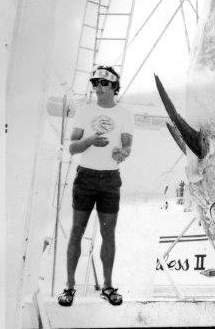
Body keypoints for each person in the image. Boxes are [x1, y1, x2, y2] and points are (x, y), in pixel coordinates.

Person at [58, 66, 134, 307]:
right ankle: (69, 287)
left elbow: (127, 147)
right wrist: (90, 140)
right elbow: (72, 147)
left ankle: (108, 286)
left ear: (113, 86)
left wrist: (122, 153)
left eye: (102, 83)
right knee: (77, 232)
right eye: (95, 84)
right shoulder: (84, 111)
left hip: (111, 179)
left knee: (108, 234)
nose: (97, 88)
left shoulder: (125, 114)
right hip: (86, 178)